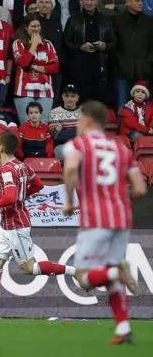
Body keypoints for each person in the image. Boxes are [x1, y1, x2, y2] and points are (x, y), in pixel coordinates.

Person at [0, 132, 76, 319]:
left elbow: (11, 198)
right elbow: (38, 185)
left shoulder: (6, 171)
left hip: (16, 225)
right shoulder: (22, 166)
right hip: (7, 224)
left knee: (28, 269)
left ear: (2, 148)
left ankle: (74, 271)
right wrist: (21, 197)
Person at [61, 100, 146, 344]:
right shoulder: (122, 148)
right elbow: (140, 188)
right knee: (109, 278)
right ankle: (123, 328)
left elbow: (70, 170)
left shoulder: (77, 144)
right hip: (122, 216)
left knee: (83, 278)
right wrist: (119, 199)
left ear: (86, 120)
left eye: (78, 120)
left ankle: (115, 270)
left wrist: (68, 201)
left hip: (95, 217)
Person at [12, 13, 59, 124]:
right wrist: (33, 45)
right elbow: (23, 63)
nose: (36, 29)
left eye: (38, 26)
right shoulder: (18, 43)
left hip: (45, 92)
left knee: (42, 126)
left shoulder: (48, 44)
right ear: (26, 27)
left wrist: (34, 67)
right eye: (33, 26)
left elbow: (55, 67)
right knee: (27, 126)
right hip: (23, 92)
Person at [49, 83, 81, 161]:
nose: (70, 99)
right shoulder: (54, 112)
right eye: (67, 96)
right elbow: (56, 136)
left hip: (81, 146)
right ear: (62, 97)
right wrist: (78, 130)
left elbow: (88, 134)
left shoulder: (84, 112)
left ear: (77, 98)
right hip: (63, 147)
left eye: (73, 96)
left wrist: (64, 131)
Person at [118, 81, 153, 145]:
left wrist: (151, 127)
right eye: (137, 92)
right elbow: (132, 124)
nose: (140, 94)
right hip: (131, 132)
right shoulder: (128, 107)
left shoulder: (148, 107)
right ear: (133, 94)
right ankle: (138, 154)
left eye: (143, 92)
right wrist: (147, 130)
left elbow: (152, 118)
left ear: (146, 96)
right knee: (138, 137)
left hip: (146, 130)